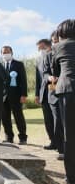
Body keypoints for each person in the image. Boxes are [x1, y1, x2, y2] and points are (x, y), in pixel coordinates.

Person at [52, 19, 75, 184]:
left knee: (70, 135)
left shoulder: (59, 47)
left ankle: (71, 177)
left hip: (67, 90)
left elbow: (55, 71)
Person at [43, 32, 64, 160]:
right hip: (54, 93)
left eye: (57, 40)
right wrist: (49, 77)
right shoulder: (48, 56)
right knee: (58, 121)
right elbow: (45, 73)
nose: (55, 43)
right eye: (53, 41)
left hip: (68, 91)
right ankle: (61, 149)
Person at [1, 46, 28, 144]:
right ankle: (9, 137)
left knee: (18, 116)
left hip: (16, 96)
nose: (5, 54)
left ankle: (23, 137)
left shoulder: (18, 64)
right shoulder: (0, 65)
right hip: (3, 97)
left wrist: (24, 94)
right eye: (4, 52)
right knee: (5, 118)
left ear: (12, 52)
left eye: (7, 52)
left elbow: (23, 80)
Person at [36, 39, 57, 149]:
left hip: (54, 93)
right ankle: (52, 141)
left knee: (56, 119)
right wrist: (37, 94)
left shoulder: (55, 55)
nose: (39, 50)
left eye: (40, 48)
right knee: (48, 120)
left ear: (47, 46)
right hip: (43, 94)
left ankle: (60, 142)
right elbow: (38, 79)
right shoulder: (39, 60)